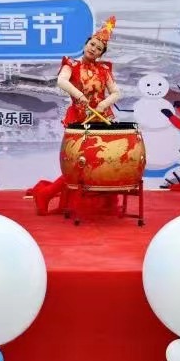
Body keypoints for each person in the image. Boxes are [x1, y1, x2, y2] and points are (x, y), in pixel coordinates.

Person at [28, 16, 122, 214]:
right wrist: (79, 95)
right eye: (92, 44)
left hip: (101, 118)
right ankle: (46, 194)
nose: (93, 49)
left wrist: (103, 104)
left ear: (101, 53)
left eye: (98, 48)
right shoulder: (72, 64)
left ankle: (100, 204)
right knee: (78, 164)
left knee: (103, 160)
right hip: (80, 118)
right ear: (86, 44)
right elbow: (61, 81)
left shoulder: (104, 69)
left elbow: (116, 92)